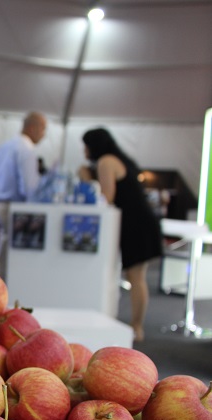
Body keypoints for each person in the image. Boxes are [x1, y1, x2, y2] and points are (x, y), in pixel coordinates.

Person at [82, 128, 163, 342]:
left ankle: (137, 327)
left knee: (136, 277)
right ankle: (136, 325)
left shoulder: (106, 162)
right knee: (137, 277)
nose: (84, 151)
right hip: (141, 222)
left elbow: (107, 197)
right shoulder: (119, 159)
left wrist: (87, 181)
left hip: (136, 225)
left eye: (86, 146)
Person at [0, 111, 47, 277]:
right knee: (4, 260)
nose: (44, 134)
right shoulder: (26, 150)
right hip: (8, 207)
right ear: (32, 128)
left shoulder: (4, 145)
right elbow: (29, 187)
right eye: (43, 129)